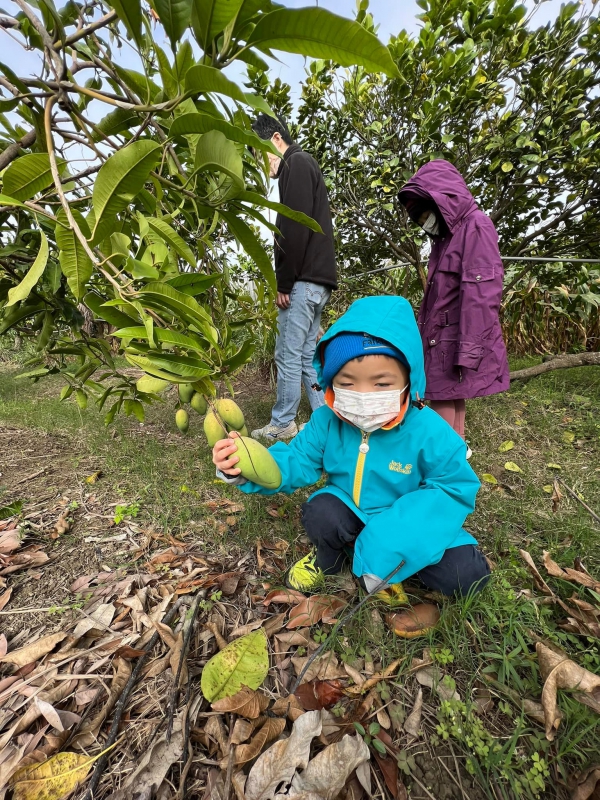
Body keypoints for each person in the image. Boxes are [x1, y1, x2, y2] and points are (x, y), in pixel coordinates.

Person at [213, 297, 490, 635]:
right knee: (321, 512)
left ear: (408, 381)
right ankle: (331, 559)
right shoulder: (327, 422)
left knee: (468, 575)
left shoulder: (430, 431)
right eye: (346, 382)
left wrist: (392, 538)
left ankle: (389, 563)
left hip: (410, 521)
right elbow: (297, 459)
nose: (362, 394)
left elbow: (452, 488)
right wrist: (247, 466)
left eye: (381, 383)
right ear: (329, 383)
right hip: (353, 510)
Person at [398, 160, 510, 448]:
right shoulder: (446, 238)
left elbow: (481, 292)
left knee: (442, 394)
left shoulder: (475, 226)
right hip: (442, 337)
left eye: (425, 214)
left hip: (455, 336)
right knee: (446, 391)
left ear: (442, 200)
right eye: (419, 220)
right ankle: (454, 451)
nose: (424, 223)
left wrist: (470, 348)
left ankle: (442, 460)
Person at [250, 114, 337, 442]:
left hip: (302, 282)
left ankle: (283, 422)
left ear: (274, 139)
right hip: (317, 281)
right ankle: (322, 412)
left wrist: (283, 283)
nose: (261, 164)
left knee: (287, 353)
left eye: (259, 153)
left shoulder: (295, 164)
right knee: (303, 354)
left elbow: (294, 226)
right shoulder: (303, 164)